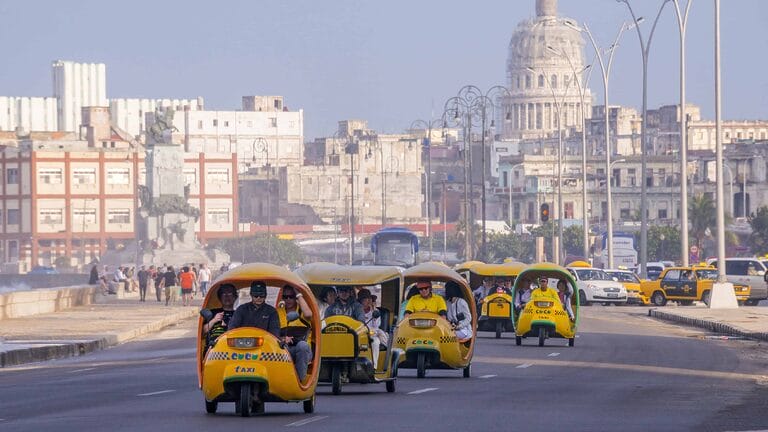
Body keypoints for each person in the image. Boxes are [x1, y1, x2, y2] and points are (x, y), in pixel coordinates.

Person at [277, 285, 313, 381]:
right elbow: (272, 333)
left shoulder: (302, 311)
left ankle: (299, 381)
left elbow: (309, 314)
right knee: (281, 348)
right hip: (286, 348)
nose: (288, 300)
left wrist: (298, 294)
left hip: (303, 350)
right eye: (285, 297)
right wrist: (283, 339)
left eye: (291, 296)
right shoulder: (278, 312)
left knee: (302, 346)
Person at [358, 289, 388, 368]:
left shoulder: (375, 311)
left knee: (376, 341)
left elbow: (376, 325)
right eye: (365, 299)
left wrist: (373, 310)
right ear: (361, 301)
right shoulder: (357, 311)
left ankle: (374, 367)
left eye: (369, 299)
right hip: (360, 335)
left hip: (372, 334)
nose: (368, 301)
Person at [203, 284, 237, 348]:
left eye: (230, 294)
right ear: (220, 298)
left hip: (233, 346)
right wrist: (214, 320)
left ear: (234, 297)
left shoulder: (239, 314)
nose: (227, 297)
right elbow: (203, 332)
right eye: (224, 294)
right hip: (214, 348)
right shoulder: (212, 313)